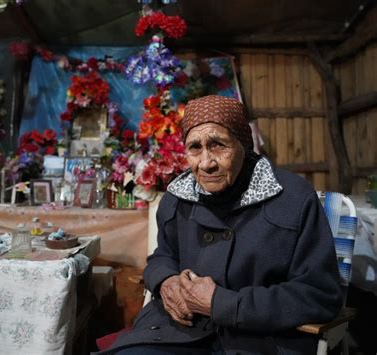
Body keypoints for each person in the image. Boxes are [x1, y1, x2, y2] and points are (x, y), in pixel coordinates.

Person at [98, 95, 343, 355]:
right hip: (178, 332)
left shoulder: (293, 199)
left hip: (258, 339)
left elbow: (319, 294)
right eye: (195, 148)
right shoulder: (177, 198)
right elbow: (163, 256)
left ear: (243, 146)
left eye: (218, 145)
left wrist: (222, 304)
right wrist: (165, 281)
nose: (206, 163)